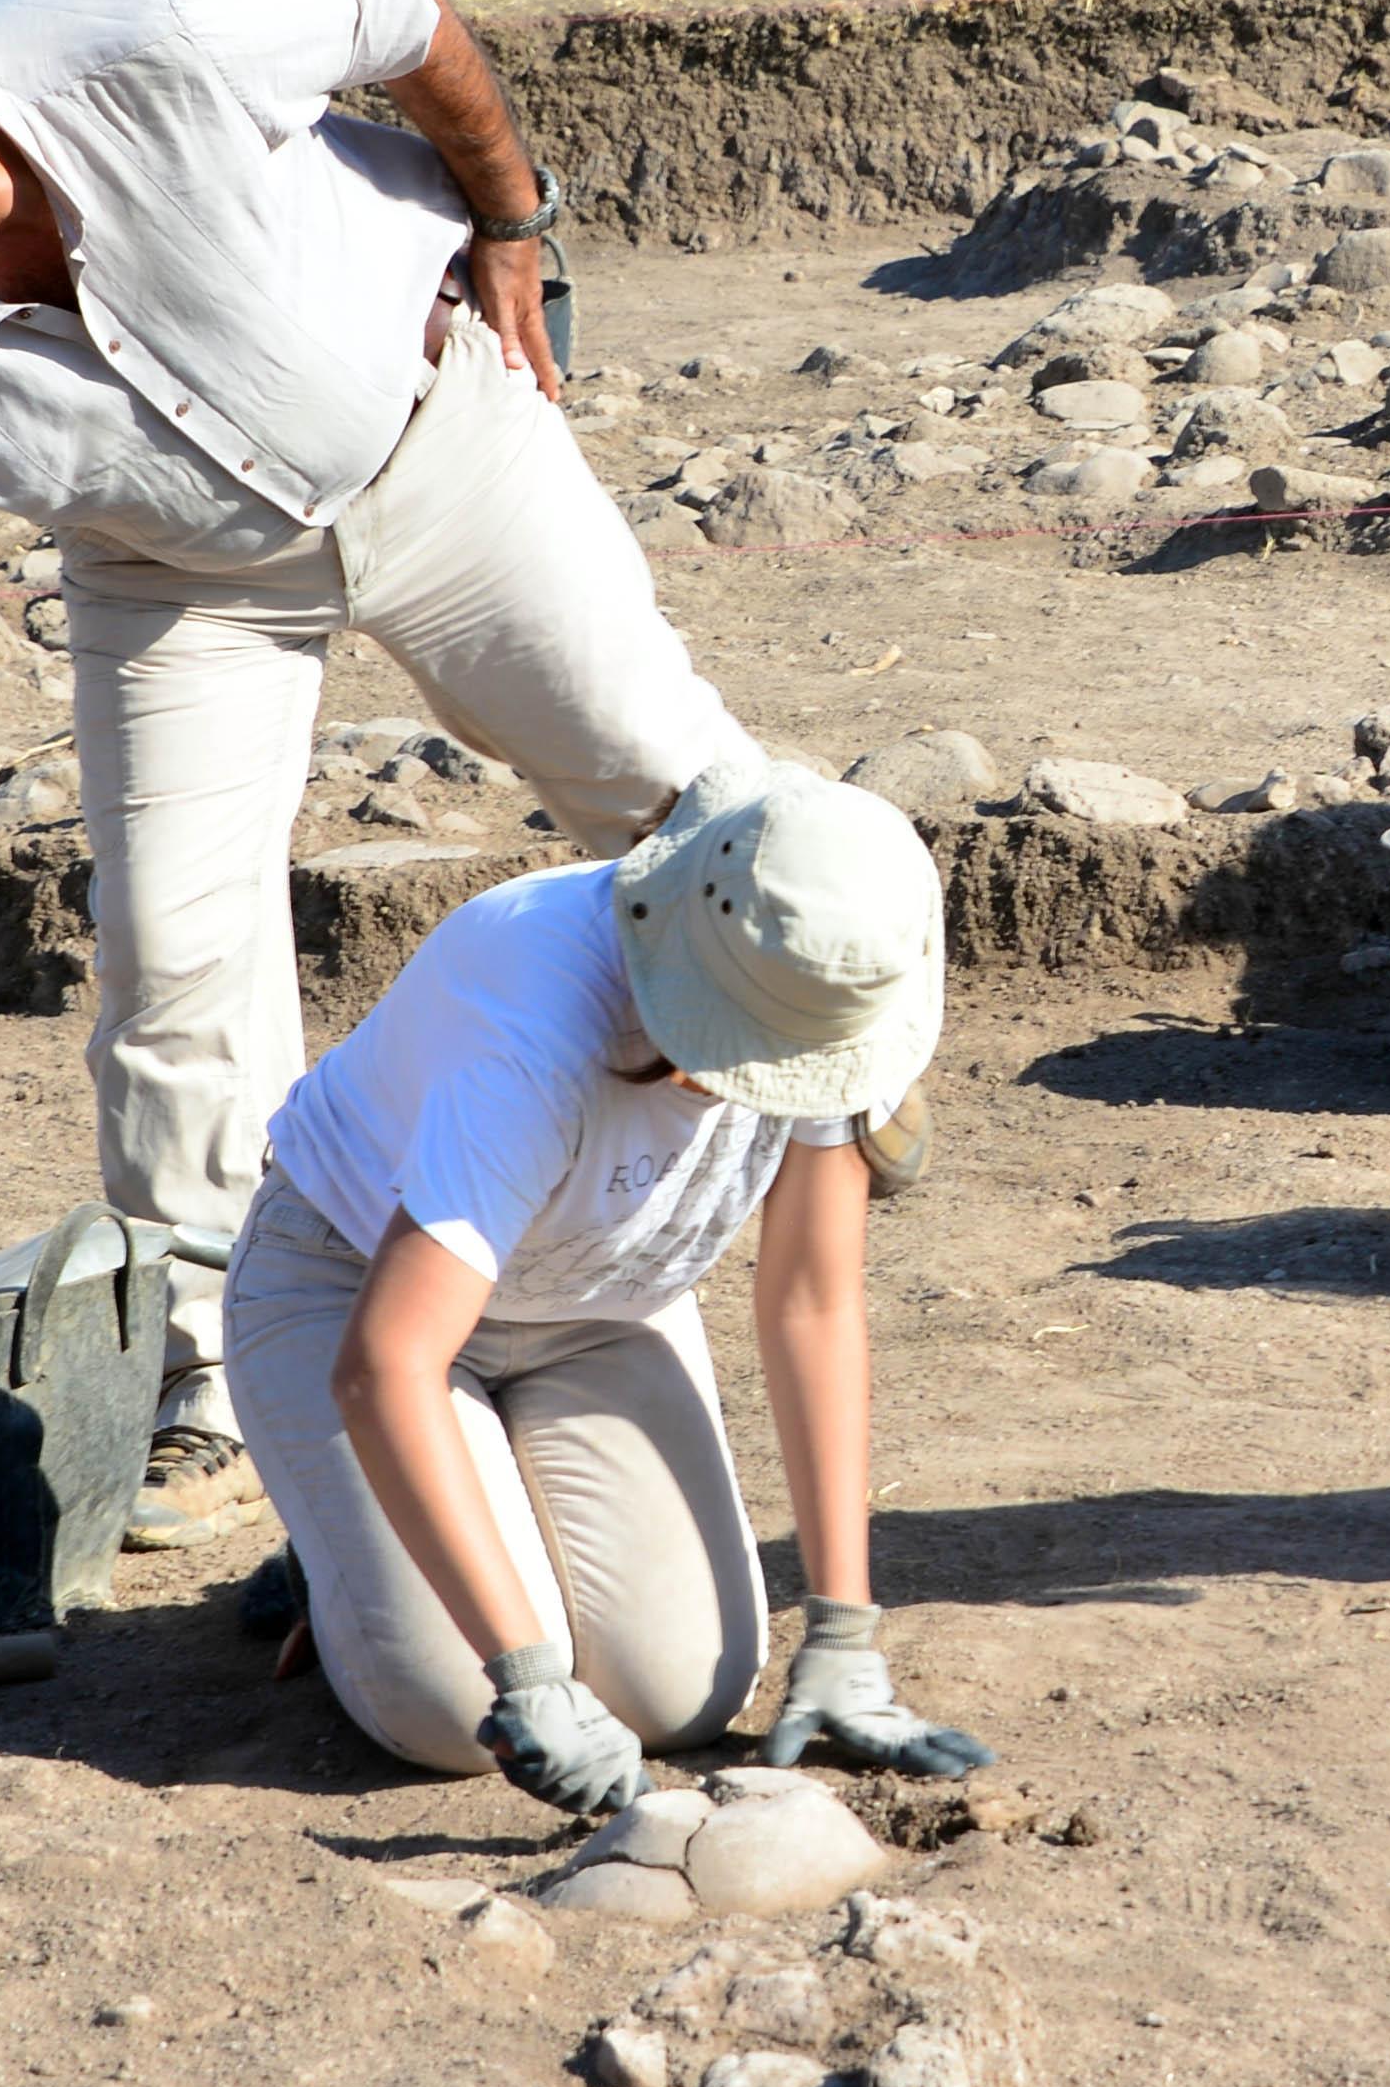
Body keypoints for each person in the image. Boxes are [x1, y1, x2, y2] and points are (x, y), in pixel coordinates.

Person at [0, 0, 759, 1498]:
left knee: (684, 802)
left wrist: (513, 213)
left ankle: (841, 1048)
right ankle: (217, 1358)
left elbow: (403, 7)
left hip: (434, 439)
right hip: (176, 576)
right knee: (171, 966)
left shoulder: (158, 27)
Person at [230, 758, 982, 1810]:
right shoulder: (534, 1022)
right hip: (347, 1285)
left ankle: (422, 1536)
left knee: (684, 1694)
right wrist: (526, 1677)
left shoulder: (822, 977)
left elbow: (812, 1298)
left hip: (600, 1302)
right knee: (452, 1713)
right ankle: (337, 1554)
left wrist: (844, 1633)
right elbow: (388, 1361)